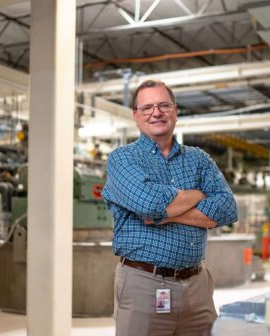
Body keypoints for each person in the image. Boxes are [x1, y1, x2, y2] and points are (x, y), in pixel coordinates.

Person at [102, 79, 238, 336]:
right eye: (147, 107)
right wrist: (199, 196)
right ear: (136, 116)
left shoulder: (198, 159)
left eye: (164, 105)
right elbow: (150, 204)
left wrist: (167, 214)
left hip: (198, 287)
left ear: (175, 110)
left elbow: (228, 208)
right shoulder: (123, 159)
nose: (156, 112)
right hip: (144, 283)